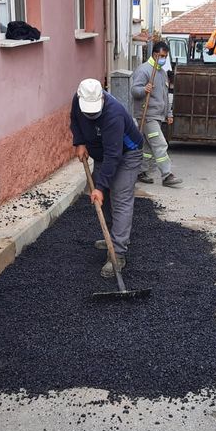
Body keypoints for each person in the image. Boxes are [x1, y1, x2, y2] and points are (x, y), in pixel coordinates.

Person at [70, 79, 145, 278]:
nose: (91, 114)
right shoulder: (78, 101)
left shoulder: (113, 113)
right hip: (103, 152)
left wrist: (101, 187)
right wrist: (80, 142)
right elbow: (75, 120)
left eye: (94, 111)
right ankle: (112, 237)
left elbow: (114, 155)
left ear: (102, 98)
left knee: (119, 197)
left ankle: (118, 253)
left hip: (128, 153)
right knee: (100, 199)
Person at [131, 41, 182, 187]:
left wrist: (169, 113)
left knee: (147, 148)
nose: (164, 59)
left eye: (165, 56)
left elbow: (165, 96)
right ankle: (167, 175)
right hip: (147, 116)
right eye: (162, 56)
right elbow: (134, 91)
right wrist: (144, 89)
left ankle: (141, 172)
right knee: (160, 144)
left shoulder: (161, 72)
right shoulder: (144, 70)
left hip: (158, 116)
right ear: (155, 54)